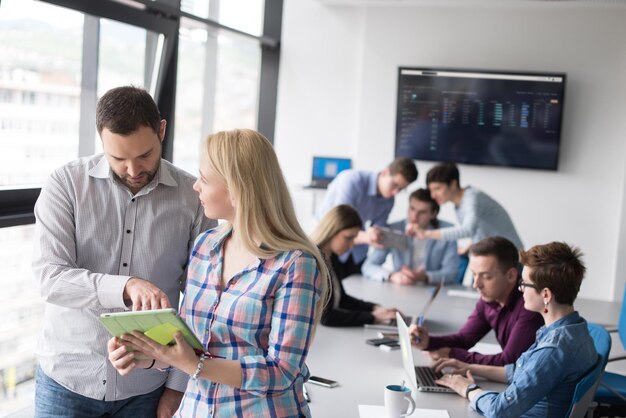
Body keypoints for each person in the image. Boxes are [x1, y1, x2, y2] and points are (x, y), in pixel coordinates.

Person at [107, 129, 329, 417]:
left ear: (237, 190)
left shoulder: (295, 264)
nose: (196, 186)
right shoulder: (205, 246)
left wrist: (195, 365)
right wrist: (148, 354)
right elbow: (191, 345)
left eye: (205, 179)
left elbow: (283, 371)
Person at [32, 86, 215, 416]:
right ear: (101, 139)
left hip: (147, 388)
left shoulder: (192, 197)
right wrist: (126, 286)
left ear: (161, 130)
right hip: (67, 381)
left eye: (144, 155)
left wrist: (177, 386)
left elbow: (202, 299)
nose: (133, 170)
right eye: (119, 158)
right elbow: (51, 278)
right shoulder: (65, 185)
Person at [433, 242, 597, 418]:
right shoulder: (575, 328)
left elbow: (500, 410)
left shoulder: (553, 349)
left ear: (546, 295)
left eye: (524, 284)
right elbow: (522, 372)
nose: (521, 289)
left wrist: (468, 389)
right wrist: (470, 367)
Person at [409, 236, 543, 365]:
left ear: (511, 275)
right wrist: (427, 342)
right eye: (474, 274)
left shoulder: (530, 306)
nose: (476, 284)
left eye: (486, 276)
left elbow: (509, 361)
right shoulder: (489, 298)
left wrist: (452, 354)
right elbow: (464, 339)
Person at [317, 157, 418, 279]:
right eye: (395, 185)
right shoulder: (352, 181)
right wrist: (368, 237)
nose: (395, 192)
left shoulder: (389, 201)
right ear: (385, 172)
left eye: (401, 189)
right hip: (331, 247)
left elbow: (378, 229)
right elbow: (341, 226)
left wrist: (381, 237)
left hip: (356, 253)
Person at [311, 204, 400, 326]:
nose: (351, 245)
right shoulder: (313, 262)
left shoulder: (331, 257)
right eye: (348, 238)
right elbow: (327, 317)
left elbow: (341, 299)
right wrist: (372, 317)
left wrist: (374, 308)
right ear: (332, 231)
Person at [408, 162, 523, 251]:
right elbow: (481, 230)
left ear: (453, 184)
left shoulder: (472, 197)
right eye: (431, 190)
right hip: (498, 254)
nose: (433, 196)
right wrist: (470, 245)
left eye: (437, 189)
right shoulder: (459, 205)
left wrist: (426, 233)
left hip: (512, 258)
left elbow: (468, 230)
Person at [362, 188, 459, 285]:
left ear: (433, 214)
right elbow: (368, 266)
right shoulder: (395, 229)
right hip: (401, 287)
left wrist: (424, 276)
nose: (414, 216)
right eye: (412, 209)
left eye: (422, 212)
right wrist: (391, 275)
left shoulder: (447, 232)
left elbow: (451, 273)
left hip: (430, 289)